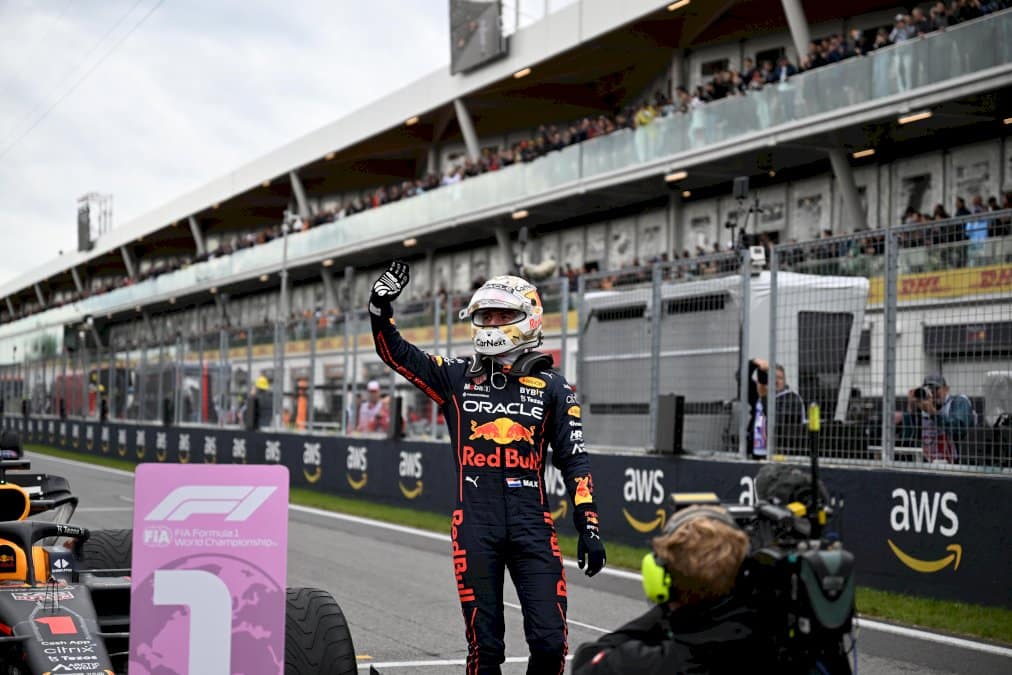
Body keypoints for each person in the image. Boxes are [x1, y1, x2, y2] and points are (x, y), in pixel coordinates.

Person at [369, 261, 606, 674]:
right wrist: (379, 310)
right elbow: (398, 354)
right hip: (475, 526)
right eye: (486, 315)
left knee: (551, 644)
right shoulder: (456, 377)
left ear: (528, 318)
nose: (493, 323)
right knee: (486, 650)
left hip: (533, 526)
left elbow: (574, 459)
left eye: (503, 315)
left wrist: (589, 526)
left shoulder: (555, 387)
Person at [572, 506, 758, 674]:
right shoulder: (771, 642)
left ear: (662, 577)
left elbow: (586, 660)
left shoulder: (642, 663)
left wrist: (668, 604)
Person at [901, 374, 976, 463]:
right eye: (928, 390)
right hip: (927, 462)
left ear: (946, 389)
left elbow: (959, 431)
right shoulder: (922, 406)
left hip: (956, 464)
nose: (932, 393)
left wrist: (933, 414)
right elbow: (910, 438)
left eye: (936, 389)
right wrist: (912, 411)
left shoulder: (958, 402)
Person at [774, 364, 808, 449]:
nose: (776, 381)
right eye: (773, 377)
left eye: (780, 378)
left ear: (784, 380)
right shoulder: (763, 397)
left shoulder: (793, 399)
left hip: (785, 445)